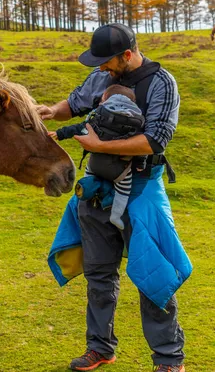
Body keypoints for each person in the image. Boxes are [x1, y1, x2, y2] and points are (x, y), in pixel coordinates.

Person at [40, 23, 191, 372]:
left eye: (106, 61)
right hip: (96, 189)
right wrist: (51, 110)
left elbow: (156, 140)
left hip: (141, 189)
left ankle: (169, 360)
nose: (101, 68)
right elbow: (75, 104)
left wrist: (99, 146)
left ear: (127, 54)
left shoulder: (162, 83)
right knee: (98, 273)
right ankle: (100, 348)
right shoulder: (102, 76)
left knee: (153, 274)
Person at [49, 84, 144, 230]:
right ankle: (116, 215)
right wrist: (140, 163)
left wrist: (60, 133)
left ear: (105, 98)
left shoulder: (100, 115)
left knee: (89, 175)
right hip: (119, 171)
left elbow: (80, 128)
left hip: (95, 164)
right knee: (123, 190)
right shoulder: (137, 121)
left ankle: (88, 192)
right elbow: (139, 146)